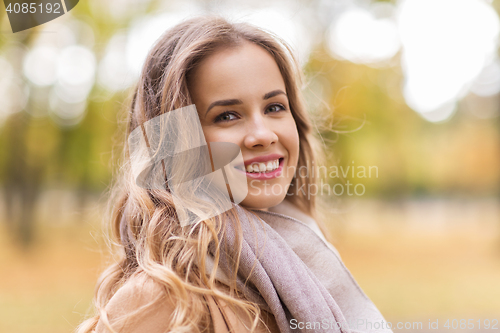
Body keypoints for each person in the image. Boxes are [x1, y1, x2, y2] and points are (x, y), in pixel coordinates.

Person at [77, 15, 392, 333]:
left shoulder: (307, 257)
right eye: (226, 115)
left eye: (274, 108)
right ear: (175, 143)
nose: (263, 134)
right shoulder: (159, 299)